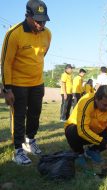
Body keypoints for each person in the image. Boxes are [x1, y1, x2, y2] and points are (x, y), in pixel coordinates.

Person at [1, 0, 51, 165]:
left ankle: (30, 141)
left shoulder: (47, 34)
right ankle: (18, 150)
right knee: (19, 116)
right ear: (27, 16)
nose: (41, 24)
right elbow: (5, 63)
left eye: (43, 20)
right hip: (18, 84)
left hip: (37, 83)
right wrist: (7, 89)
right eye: (37, 20)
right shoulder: (14, 33)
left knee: (35, 113)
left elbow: (41, 56)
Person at [64, 85, 107, 164]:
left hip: (96, 131)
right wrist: (106, 144)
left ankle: (93, 151)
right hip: (78, 130)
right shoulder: (86, 102)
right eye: (105, 105)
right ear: (96, 99)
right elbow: (82, 130)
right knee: (72, 132)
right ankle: (79, 153)